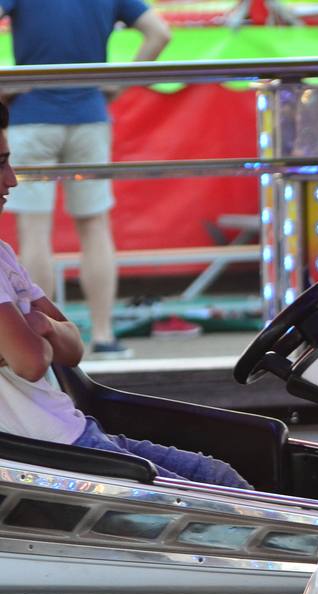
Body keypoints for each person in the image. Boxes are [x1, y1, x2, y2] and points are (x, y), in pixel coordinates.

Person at [0, 102, 248, 488]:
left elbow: (70, 347)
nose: (12, 180)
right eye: (0, 164)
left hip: (71, 431)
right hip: (53, 452)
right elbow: (32, 362)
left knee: (216, 474)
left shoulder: (3, 254)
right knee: (229, 495)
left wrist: (42, 327)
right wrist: (38, 337)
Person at [0, 0, 171, 360]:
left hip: (31, 116)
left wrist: (7, 86)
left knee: (34, 229)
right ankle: (105, 336)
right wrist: (116, 85)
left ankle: (39, 339)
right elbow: (159, 33)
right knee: (95, 225)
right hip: (89, 114)